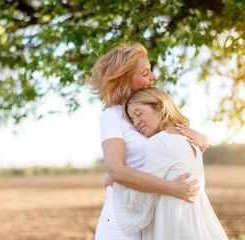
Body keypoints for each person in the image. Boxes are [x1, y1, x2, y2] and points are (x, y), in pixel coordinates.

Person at [86, 42, 209, 240]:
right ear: (125, 80)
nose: (153, 77)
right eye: (145, 74)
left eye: (150, 71)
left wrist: (203, 141)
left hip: (151, 221)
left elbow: (173, 153)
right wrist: (170, 188)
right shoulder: (113, 116)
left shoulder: (150, 112)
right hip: (122, 223)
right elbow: (116, 170)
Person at [112, 87, 228, 239]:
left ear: (160, 106)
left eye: (139, 114)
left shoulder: (159, 142)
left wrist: (117, 182)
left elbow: (140, 201)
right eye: (132, 120)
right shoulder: (191, 139)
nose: (136, 123)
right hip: (198, 223)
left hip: (174, 224)